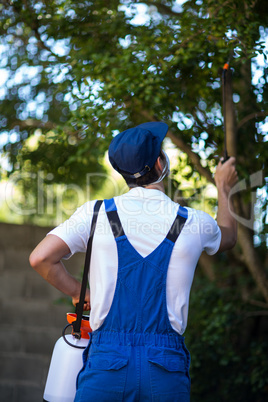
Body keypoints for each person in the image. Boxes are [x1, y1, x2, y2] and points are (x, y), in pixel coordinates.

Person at [29, 121, 238, 401]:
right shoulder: (191, 222)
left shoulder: (95, 214)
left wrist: (80, 293)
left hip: (106, 367)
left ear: (122, 172)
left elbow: (41, 258)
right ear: (160, 164)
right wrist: (223, 188)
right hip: (165, 369)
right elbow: (228, 237)